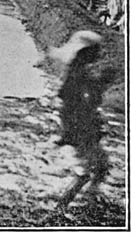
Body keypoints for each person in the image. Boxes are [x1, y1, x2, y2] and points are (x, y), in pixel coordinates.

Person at [49, 31, 113, 208]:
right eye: (94, 52)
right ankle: (61, 207)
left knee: (100, 166)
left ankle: (90, 197)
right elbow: (82, 103)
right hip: (79, 127)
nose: (97, 55)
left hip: (81, 125)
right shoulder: (78, 76)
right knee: (88, 170)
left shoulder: (78, 73)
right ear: (84, 54)